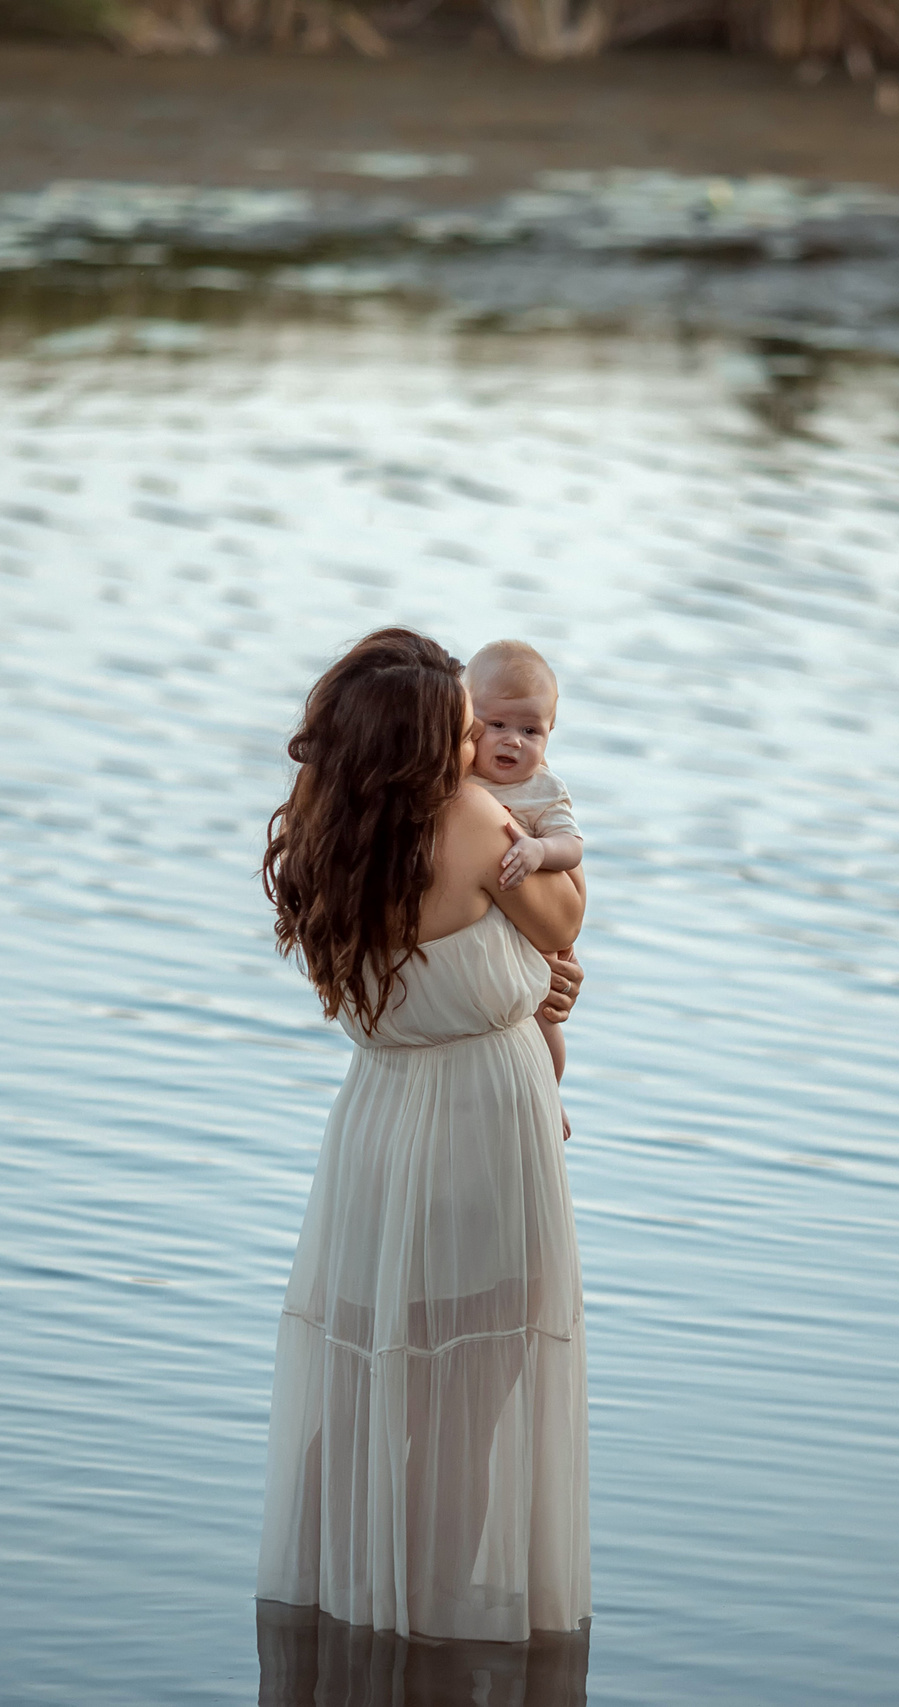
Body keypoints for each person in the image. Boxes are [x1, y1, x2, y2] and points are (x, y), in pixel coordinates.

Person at [254, 627, 593, 1645]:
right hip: (482, 1134)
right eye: (457, 730)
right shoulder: (473, 819)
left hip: (378, 1134)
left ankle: (335, 1627)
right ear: (418, 748)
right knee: (472, 1402)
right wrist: (545, 984)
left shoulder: (331, 835)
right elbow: (564, 915)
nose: (473, 745)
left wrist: (535, 984)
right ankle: (441, 1633)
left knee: (362, 1396)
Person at [467, 640, 585, 1105]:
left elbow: (571, 847)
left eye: (531, 730)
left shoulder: (542, 788)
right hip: (490, 933)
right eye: (496, 724)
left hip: (536, 937)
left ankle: (548, 1100)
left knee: (546, 1020)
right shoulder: (458, 774)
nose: (513, 740)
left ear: (551, 732)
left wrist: (539, 850)